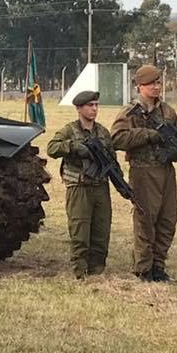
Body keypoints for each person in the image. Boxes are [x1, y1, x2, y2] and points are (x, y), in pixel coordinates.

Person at [111, 65, 177, 282]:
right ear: (140, 86)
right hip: (143, 170)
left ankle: (159, 265)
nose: (156, 87)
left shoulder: (167, 111)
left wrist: (174, 152)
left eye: (158, 83)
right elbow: (117, 138)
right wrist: (147, 135)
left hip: (166, 169)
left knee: (168, 219)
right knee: (145, 220)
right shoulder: (130, 112)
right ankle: (144, 268)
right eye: (151, 83)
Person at [46, 90, 113, 279]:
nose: (94, 109)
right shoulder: (69, 130)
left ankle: (97, 270)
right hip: (79, 187)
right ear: (79, 108)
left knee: (101, 230)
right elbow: (52, 148)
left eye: (96, 105)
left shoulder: (102, 132)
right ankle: (79, 271)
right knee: (80, 230)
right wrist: (73, 147)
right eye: (90, 105)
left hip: (100, 186)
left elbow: (111, 158)